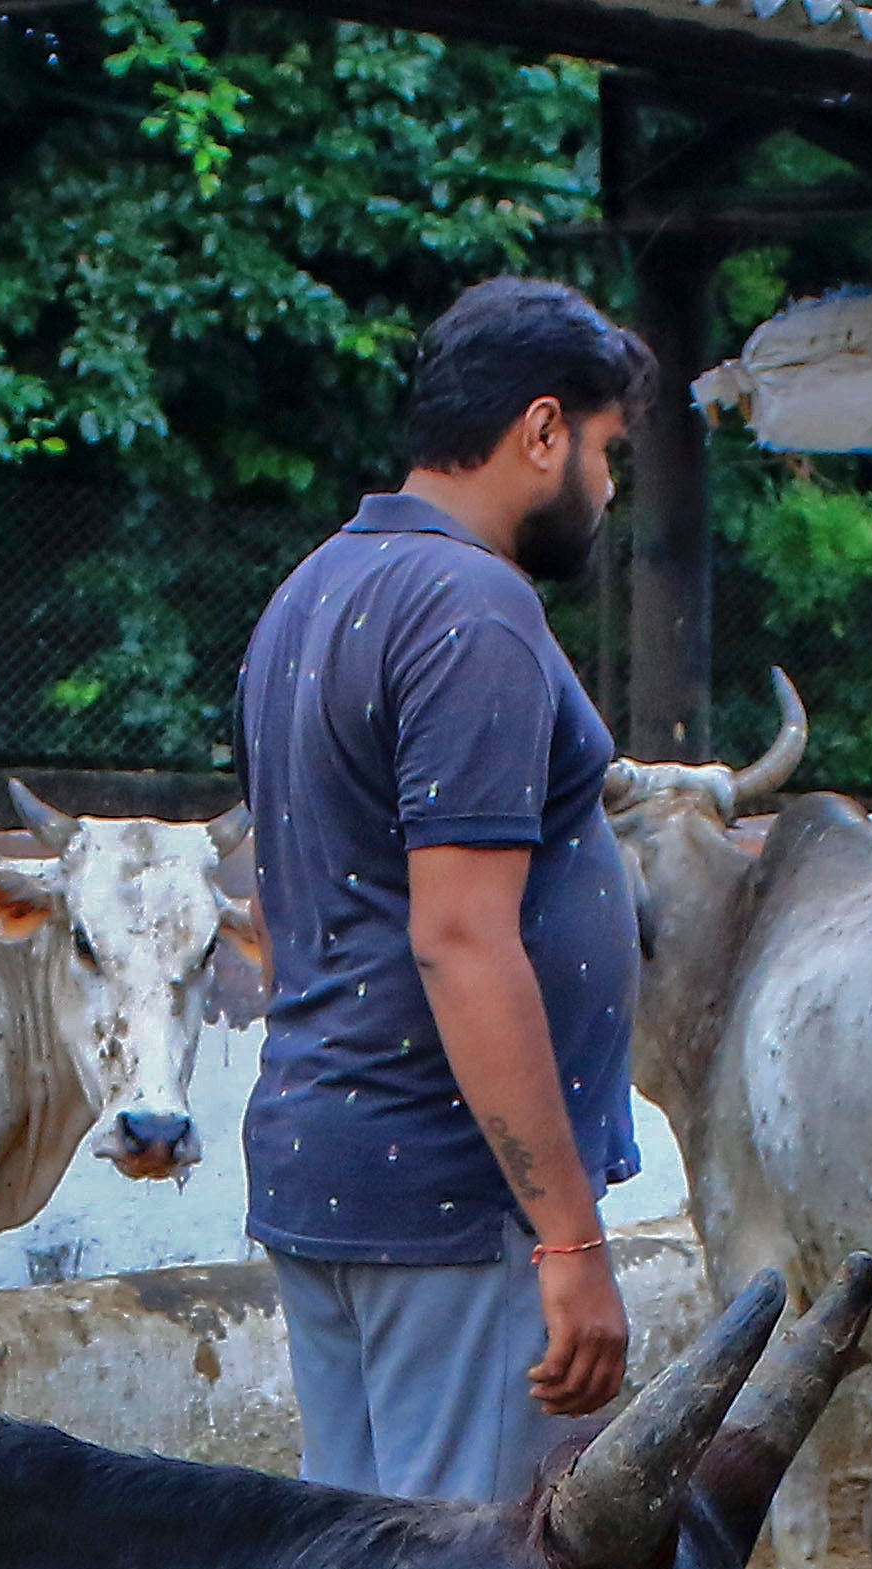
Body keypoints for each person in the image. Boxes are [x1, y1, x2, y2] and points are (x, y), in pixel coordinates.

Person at [232, 276, 647, 1501]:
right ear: (541, 431)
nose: (610, 491)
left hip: (333, 1166)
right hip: (451, 1207)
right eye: (608, 451)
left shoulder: (309, 594)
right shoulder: (475, 608)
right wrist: (568, 1238)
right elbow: (462, 939)